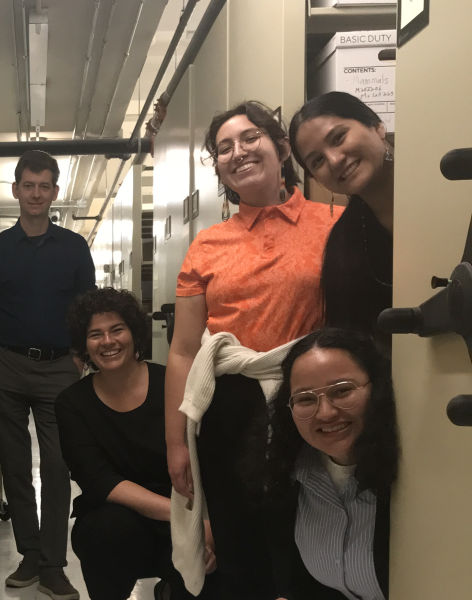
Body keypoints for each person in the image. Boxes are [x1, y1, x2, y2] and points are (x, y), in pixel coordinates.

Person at [165, 101, 344, 599]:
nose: (238, 153)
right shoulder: (207, 244)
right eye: (224, 148)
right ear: (218, 167)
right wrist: (176, 442)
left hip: (309, 398)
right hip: (229, 407)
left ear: (282, 149)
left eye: (250, 139)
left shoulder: (334, 223)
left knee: (309, 535)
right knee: (240, 545)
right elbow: (182, 350)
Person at [0, 150, 95, 600]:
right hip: (5, 365)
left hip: (60, 366)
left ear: (54, 193)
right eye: (29, 185)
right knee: (16, 466)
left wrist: (79, 358)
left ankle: (55, 564)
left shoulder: (74, 248)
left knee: (58, 465)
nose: (36, 193)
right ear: (17, 190)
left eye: (45, 186)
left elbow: (88, 311)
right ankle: (29, 554)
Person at [56, 289, 218, 600]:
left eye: (117, 329)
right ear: (84, 345)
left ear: (134, 334)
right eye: (95, 334)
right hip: (116, 521)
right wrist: (184, 519)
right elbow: (99, 481)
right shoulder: (72, 403)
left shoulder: (173, 384)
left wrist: (206, 526)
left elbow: (208, 462)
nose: (107, 341)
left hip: (183, 506)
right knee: (108, 530)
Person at [246, 328, 398, 600]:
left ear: (378, 388)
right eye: (306, 399)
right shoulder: (287, 479)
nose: (326, 413)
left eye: (342, 391)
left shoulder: (414, 476)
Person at [289, 92, 394, 350]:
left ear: (377, 126)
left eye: (338, 138)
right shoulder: (344, 246)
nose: (335, 161)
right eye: (318, 161)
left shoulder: (449, 186)